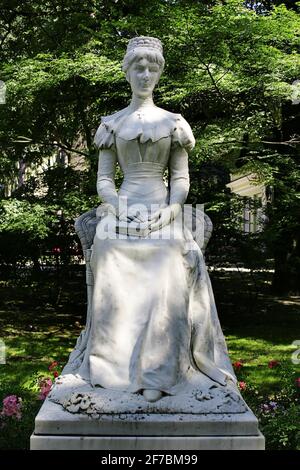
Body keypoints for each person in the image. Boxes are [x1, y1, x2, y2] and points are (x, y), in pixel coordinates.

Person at [64, 36, 235, 402]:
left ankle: (159, 371)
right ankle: (110, 367)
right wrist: (120, 208)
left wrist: (172, 211)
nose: (144, 74)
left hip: (163, 208)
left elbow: (181, 178)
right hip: (124, 206)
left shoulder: (173, 123)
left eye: (151, 68)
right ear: (127, 72)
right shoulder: (112, 124)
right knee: (107, 247)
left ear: (159, 73)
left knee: (172, 255)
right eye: (138, 67)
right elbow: (104, 180)